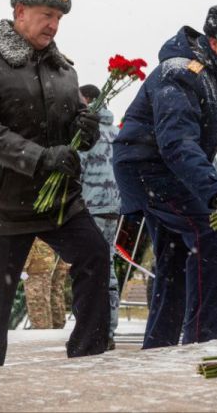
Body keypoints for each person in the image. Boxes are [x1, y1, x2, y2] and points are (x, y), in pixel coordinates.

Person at [0, 0, 111, 370]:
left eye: (59, 17)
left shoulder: (63, 70)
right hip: (0, 205)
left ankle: (87, 358)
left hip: (56, 201)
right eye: (46, 15)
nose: (54, 25)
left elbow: (72, 124)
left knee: (94, 254)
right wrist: (39, 157)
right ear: (19, 11)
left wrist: (84, 130)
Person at [113, 4, 217, 349]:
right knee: (207, 233)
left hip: (167, 169)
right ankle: (205, 341)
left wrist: (212, 184)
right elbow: (177, 143)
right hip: (148, 169)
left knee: (173, 257)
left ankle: (160, 346)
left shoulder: (214, 73)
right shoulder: (179, 72)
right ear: (215, 42)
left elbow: (195, 145)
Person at [78, 84, 123, 349]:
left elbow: (77, 169)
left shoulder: (87, 133)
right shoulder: (118, 133)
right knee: (108, 269)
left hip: (90, 208)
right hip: (114, 210)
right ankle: (109, 329)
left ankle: (92, 329)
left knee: (89, 271)